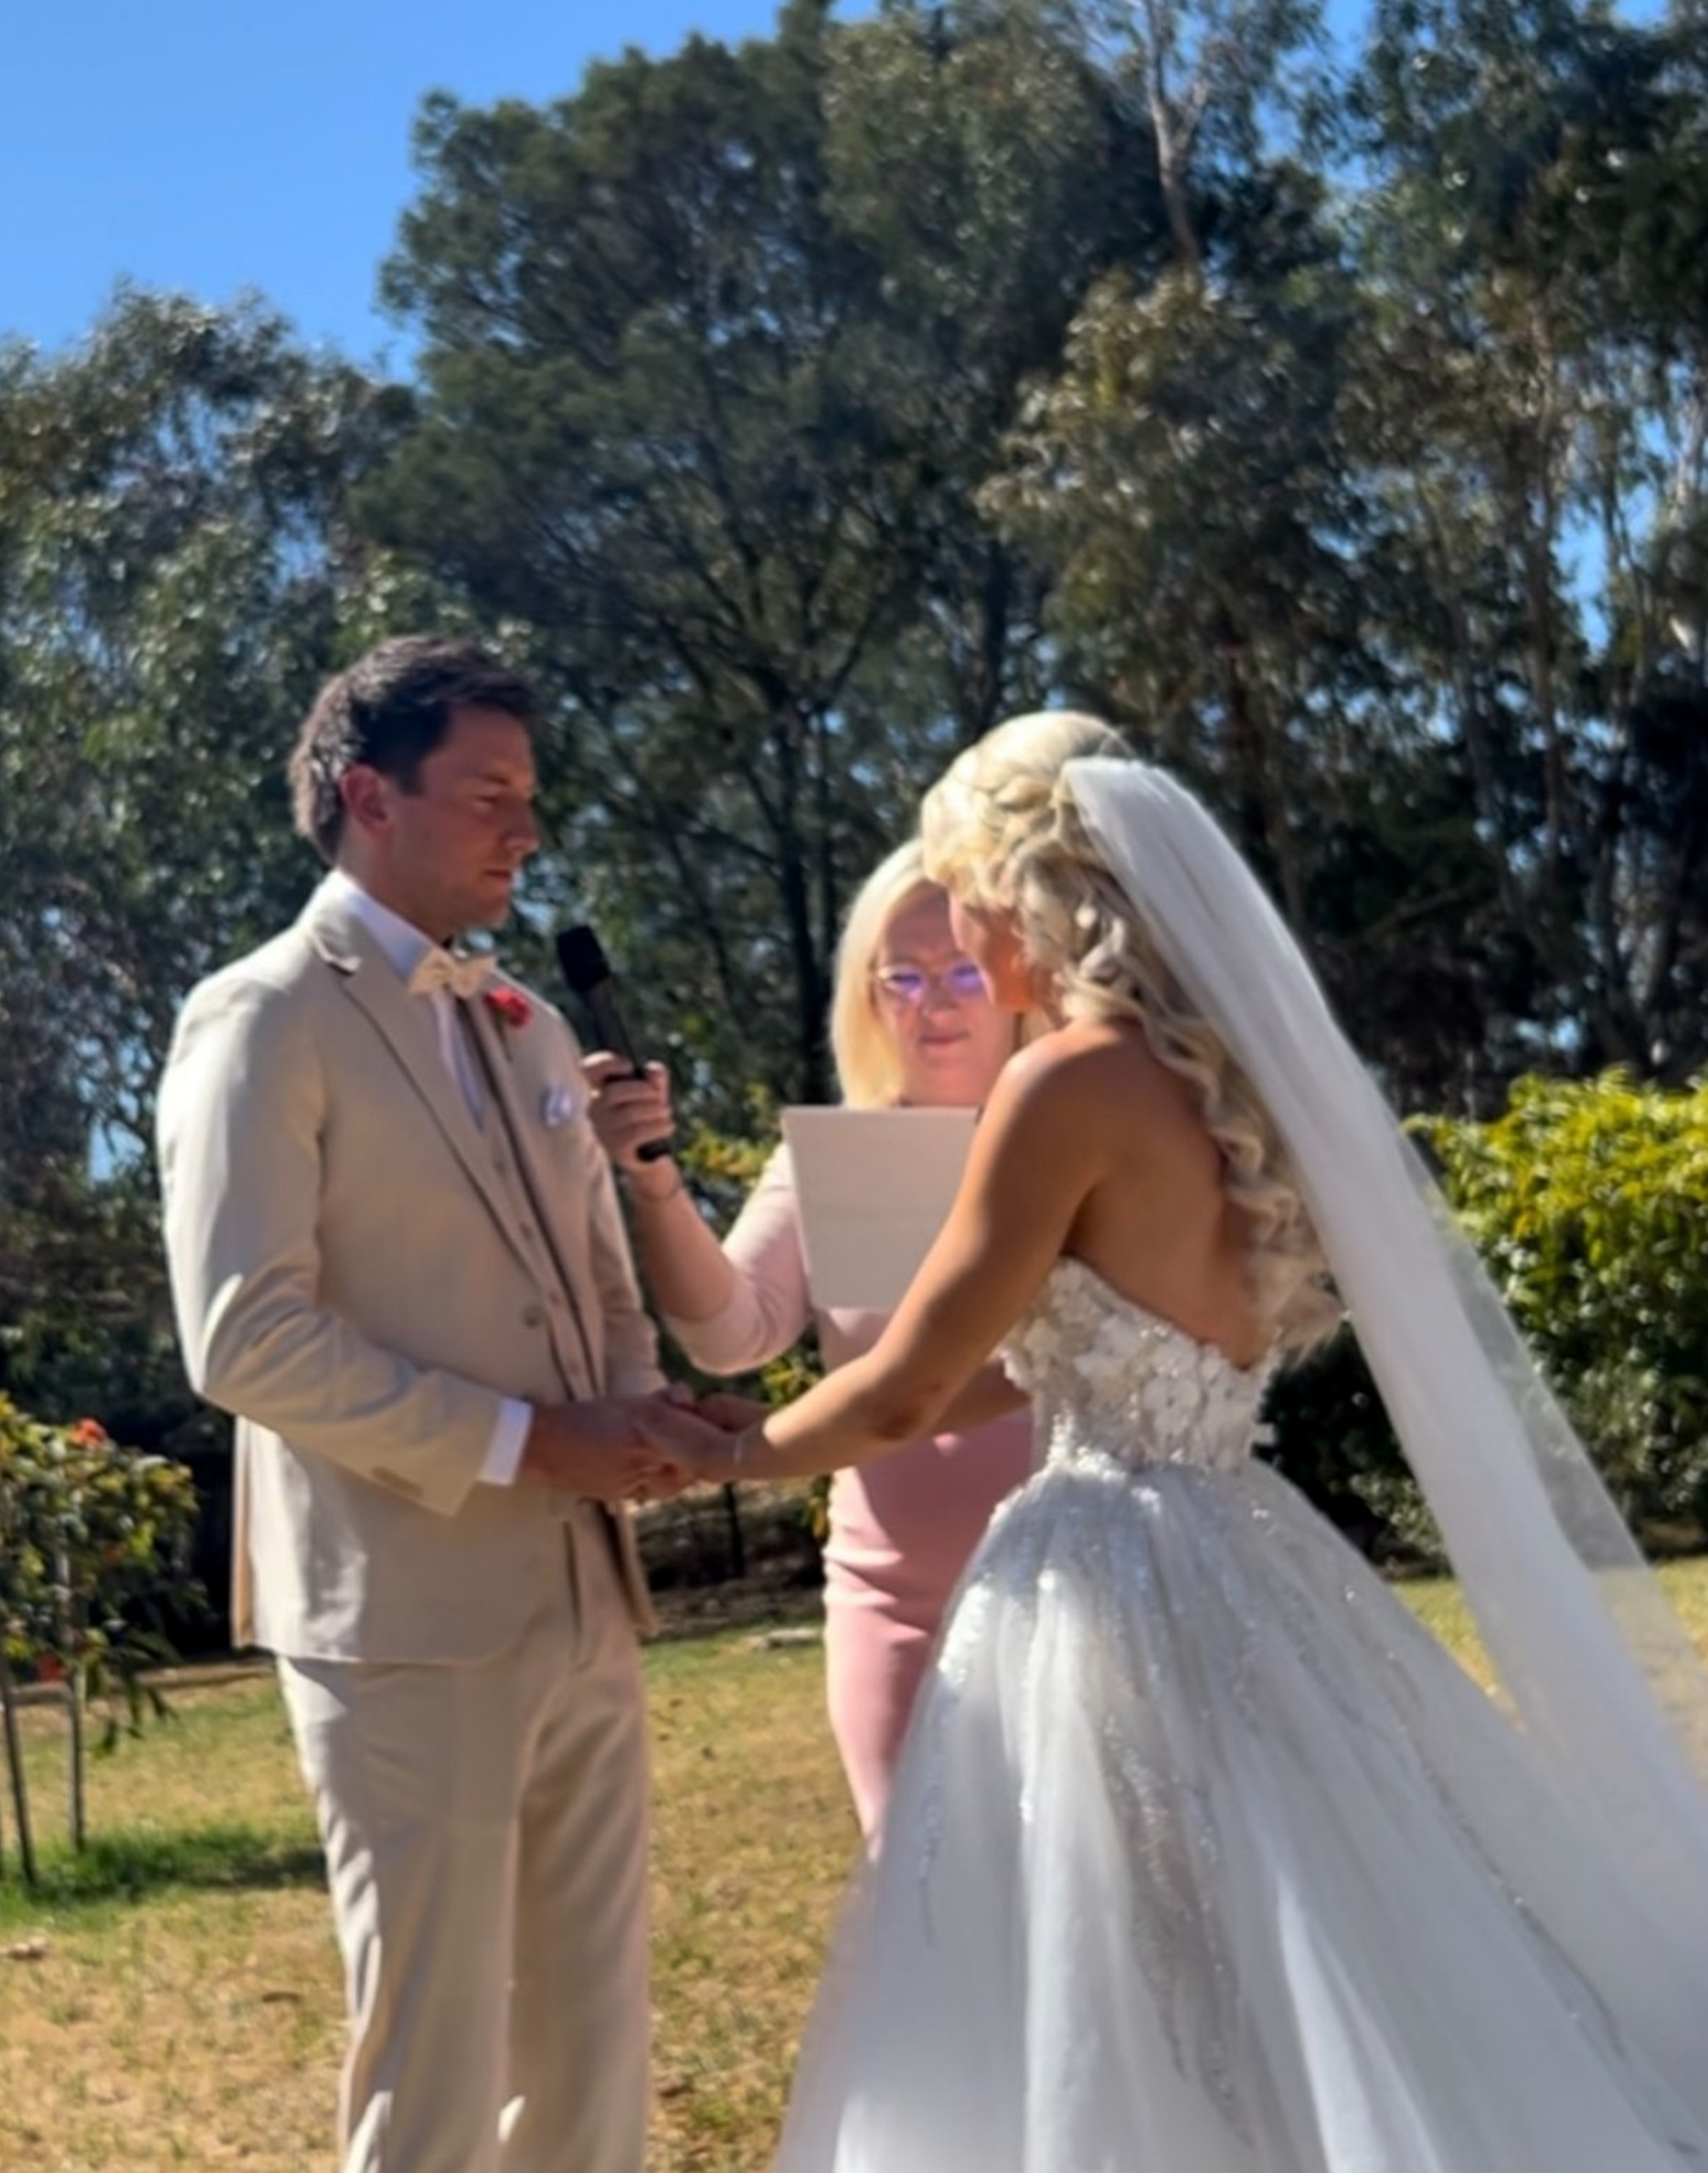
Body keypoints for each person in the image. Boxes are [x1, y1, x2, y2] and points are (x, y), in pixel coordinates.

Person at [702, 710, 1708, 2169]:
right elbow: (1066, 1354)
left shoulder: (1067, 1083)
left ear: (1031, 891)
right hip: (1247, 1540)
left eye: (972, 909)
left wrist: (726, 1450)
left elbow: (916, 1381)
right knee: (1306, 1921)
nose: (972, 953)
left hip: (1105, 1567)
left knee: (1130, 1945)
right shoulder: (1238, 1083)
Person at [156, 635, 720, 2173]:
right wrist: (538, 1442)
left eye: (529, 794)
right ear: (366, 796)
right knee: (438, 2065)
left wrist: (641, 1416)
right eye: (487, 792)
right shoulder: (263, 1012)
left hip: (586, 1595)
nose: (523, 827)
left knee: (597, 2051)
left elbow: (596, 1278)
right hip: (397, 1612)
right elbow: (241, 1331)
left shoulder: (529, 1024)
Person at [584, 841, 1034, 1833]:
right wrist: (652, 1178)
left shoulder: (1075, 1136)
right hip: (894, 1604)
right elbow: (727, 1332)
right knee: (923, 1912)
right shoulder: (831, 1157)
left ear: (1013, 977)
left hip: (1074, 1591)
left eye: (961, 968)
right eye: (901, 976)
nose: (934, 1001)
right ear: (866, 996)